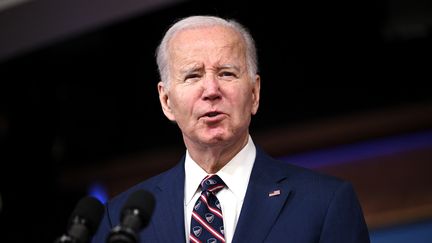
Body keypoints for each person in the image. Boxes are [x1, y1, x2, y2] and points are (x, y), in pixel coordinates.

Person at [92, 15, 370, 243]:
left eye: (227, 73)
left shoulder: (324, 203)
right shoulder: (121, 219)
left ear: (254, 93)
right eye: (193, 75)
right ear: (166, 101)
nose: (211, 90)